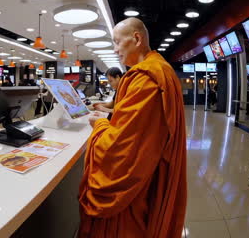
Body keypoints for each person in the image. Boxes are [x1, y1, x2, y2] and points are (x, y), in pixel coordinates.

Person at [78, 18, 187, 238]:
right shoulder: (160, 70)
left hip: (138, 189)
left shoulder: (145, 77)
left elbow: (119, 149)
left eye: (117, 42)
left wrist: (99, 124)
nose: (115, 49)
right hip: (153, 171)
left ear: (136, 38)